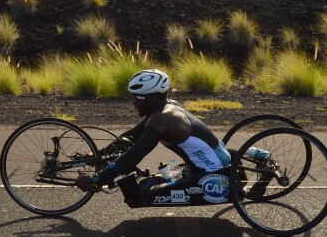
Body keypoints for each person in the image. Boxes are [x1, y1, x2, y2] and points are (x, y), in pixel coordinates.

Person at [75, 69, 232, 192]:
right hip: (214, 155)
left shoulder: (161, 119)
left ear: (151, 98)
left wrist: (95, 179)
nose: (134, 102)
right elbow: (130, 137)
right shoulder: (165, 107)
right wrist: (99, 155)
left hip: (211, 167)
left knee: (144, 190)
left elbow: (134, 156)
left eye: (137, 98)